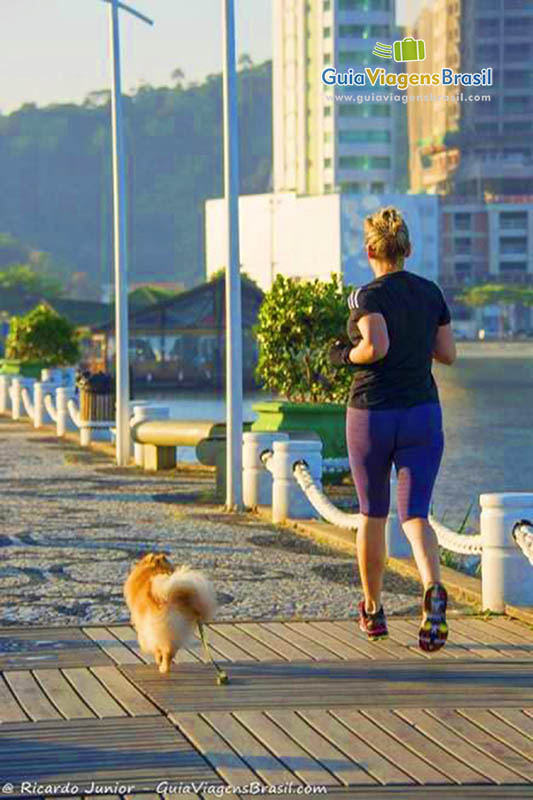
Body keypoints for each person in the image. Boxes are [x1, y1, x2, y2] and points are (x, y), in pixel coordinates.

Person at [330, 206, 456, 652]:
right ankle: (432, 588)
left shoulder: (365, 296)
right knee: (416, 514)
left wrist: (345, 356)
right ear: (407, 249)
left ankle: (373, 610)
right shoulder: (430, 292)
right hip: (422, 411)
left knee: (372, 513)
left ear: (369, 250)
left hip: (373, 413)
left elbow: (375, 346)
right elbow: (447, 354)